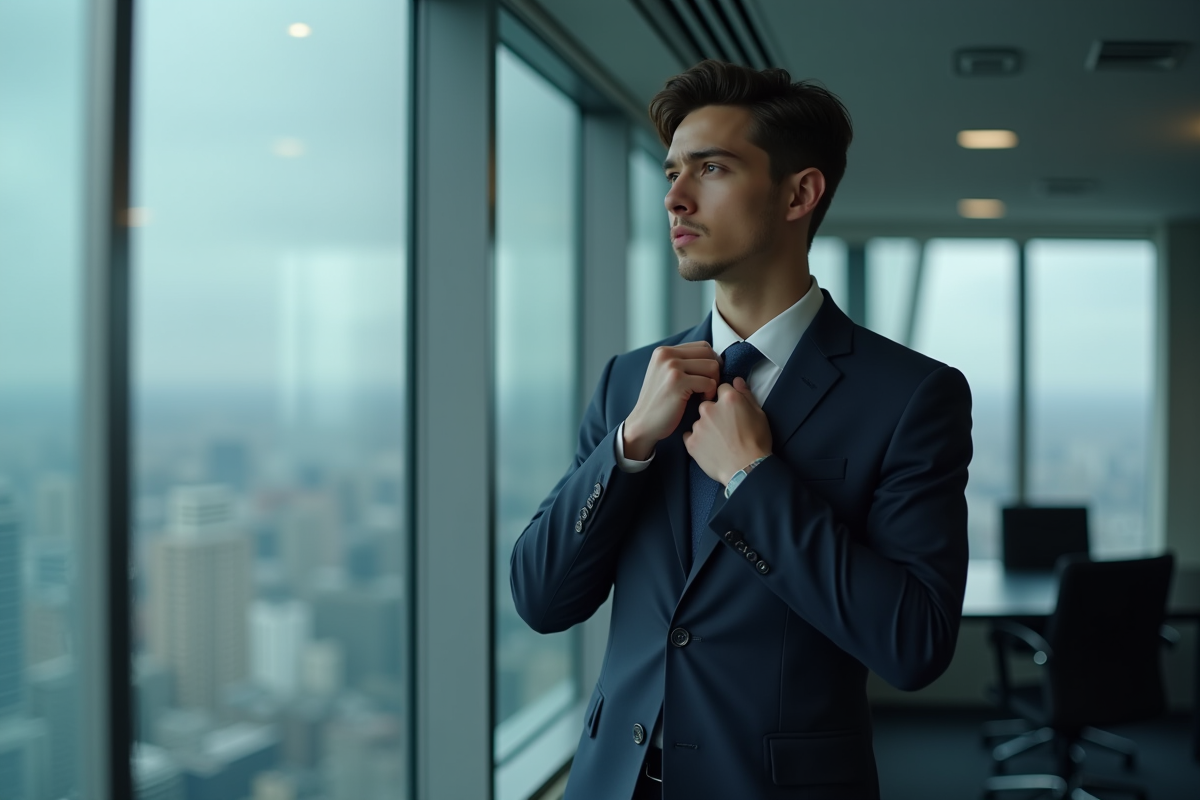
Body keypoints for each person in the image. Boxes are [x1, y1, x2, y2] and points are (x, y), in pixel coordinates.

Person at [509, 60, 972, 800]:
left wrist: (755, 482)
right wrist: (628, 446)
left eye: (711, 168)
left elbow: (914, 643)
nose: (675, 197)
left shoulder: (913, 396)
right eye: (670, 173)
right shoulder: (630, 381)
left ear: (800, 192)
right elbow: (541, 598)